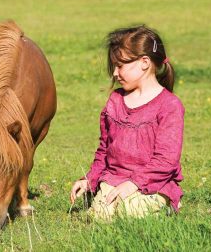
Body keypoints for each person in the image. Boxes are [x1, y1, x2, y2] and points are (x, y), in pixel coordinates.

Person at [70, 25, 184, 220]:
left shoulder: (169, 105)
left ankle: (168, 205)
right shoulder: (115, 100)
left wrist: (133, 184)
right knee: (100, 216)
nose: (115, 73)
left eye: (120, 65)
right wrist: (90, 179)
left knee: (129, 212)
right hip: (113, 180)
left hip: (153, 183)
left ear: (144, 62)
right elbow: (104, 150)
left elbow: (166, 161)